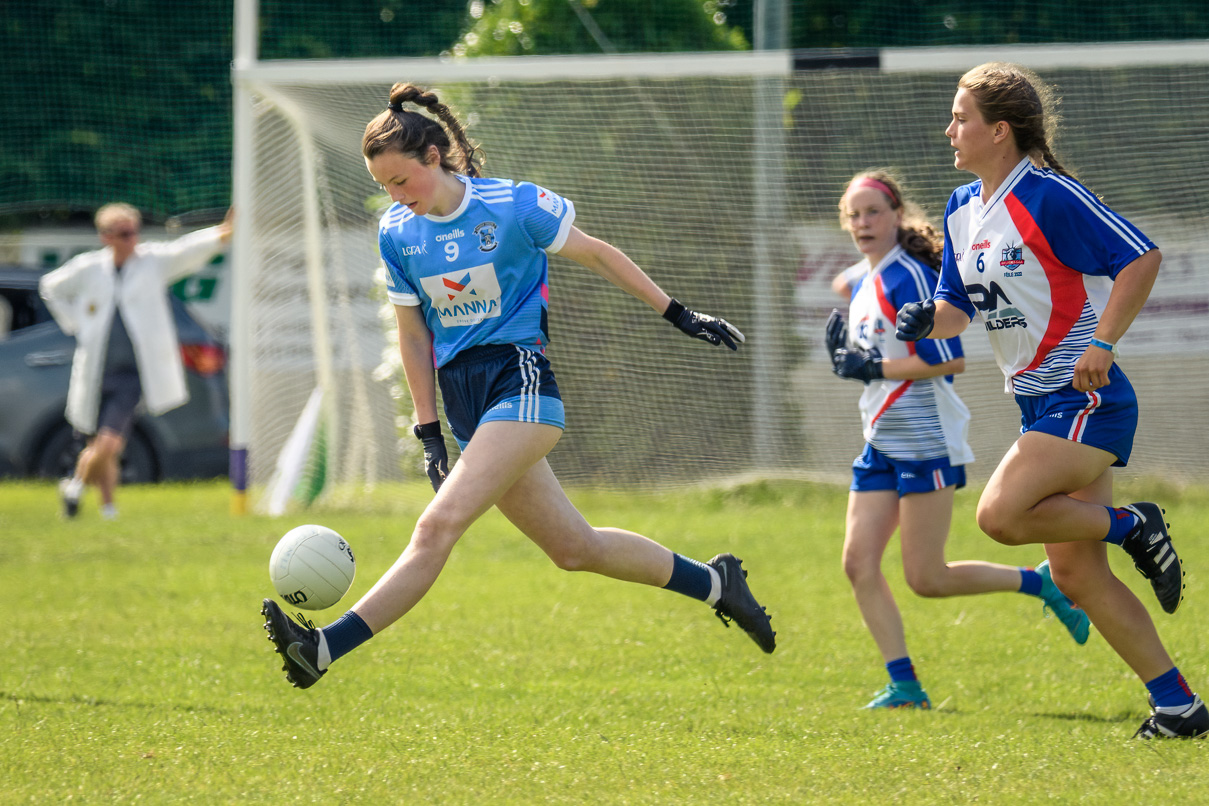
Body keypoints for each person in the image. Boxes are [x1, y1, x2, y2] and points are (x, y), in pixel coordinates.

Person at [261, 82, 775, 689]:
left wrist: (679, 313)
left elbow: (599, 254)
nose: (395, 197)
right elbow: (414, 335)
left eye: (401, 181)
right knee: (574, 549)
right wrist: (428, 429)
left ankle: (323, 648)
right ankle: (718, 584)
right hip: (464, 401)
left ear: (434, 157)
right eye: (383, 188)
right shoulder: (398, 232)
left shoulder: (512, 206)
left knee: (434, 527)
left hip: (520, 383)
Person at [895, 62, 1203, 738]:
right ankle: (1178, 707)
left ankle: (1135, 527)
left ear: (998, 130)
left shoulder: (1047, 196)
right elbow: (955, 309)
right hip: (1036, 405)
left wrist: (1104, 342)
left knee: (999, 516)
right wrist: (927, 318)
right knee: (1074, 576)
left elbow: (1139, 258)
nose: (949, 129)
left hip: (1085, 398)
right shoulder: (959, 207)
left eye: (960, 118)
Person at [826, 170, 1089, 710]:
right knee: (858, 564)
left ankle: (1041, 585)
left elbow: (948, 359)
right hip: (880, 439)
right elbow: (849, 284)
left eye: (873, 211)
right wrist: (854, 318)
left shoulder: (909, 279)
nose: (862, 223)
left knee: (927, 577)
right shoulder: (868, 275)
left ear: (897, 214)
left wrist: (869, 365)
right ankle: (905, 686)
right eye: (853, 215)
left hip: (925, 441)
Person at [39, 204, 233, 519]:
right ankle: (108, 508)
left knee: (110, 442)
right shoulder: (89, 268)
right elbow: (50, 288)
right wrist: (74, 322)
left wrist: (221, 234)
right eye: (125, 233)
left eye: (135, 231)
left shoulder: (152, 263)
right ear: (106, 237)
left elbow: (186, 251)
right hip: (95, 372)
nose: (133, 239)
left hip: (131, 376)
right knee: (98, 446)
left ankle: (74, 485)